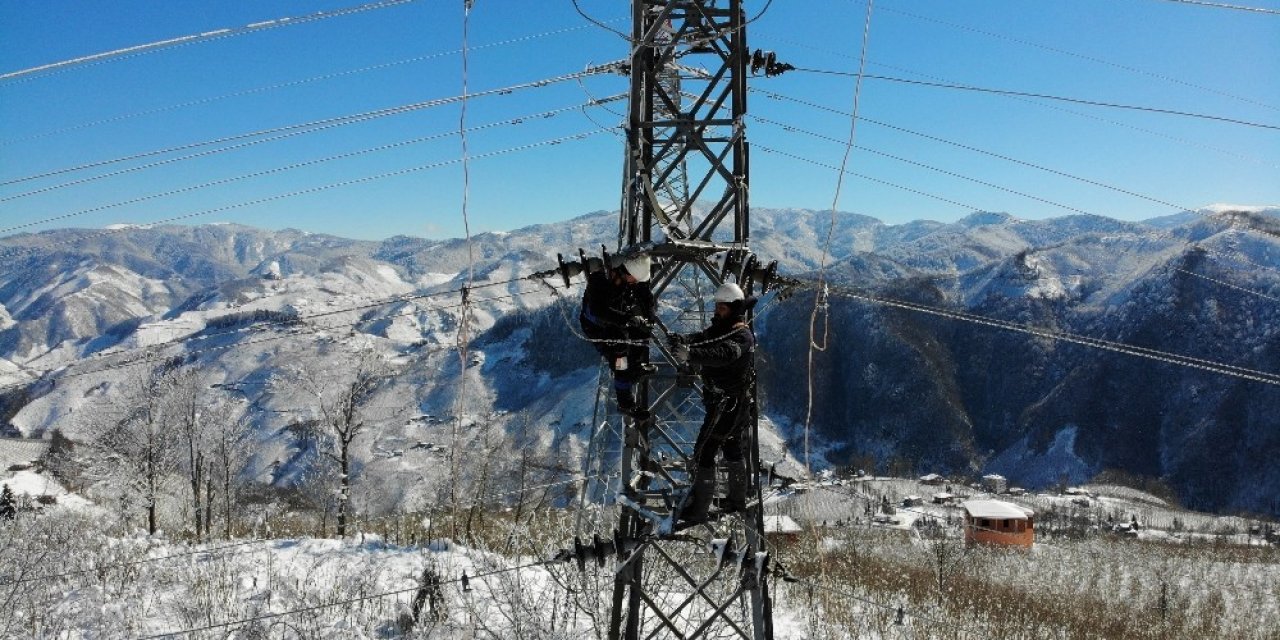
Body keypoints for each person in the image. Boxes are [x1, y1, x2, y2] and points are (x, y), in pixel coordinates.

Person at [670, 281, 757, 525]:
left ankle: (699, 508)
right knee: (730, 446)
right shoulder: (724, 329)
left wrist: (692, 355)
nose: (717, 310)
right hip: (728, 402)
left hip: (729, 404)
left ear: (733, 308)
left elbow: (722, 355)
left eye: (722, 307)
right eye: (717, 306)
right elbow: (703, 338)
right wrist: (683, 340)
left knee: (705, 451)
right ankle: (736, 499)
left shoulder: (741, 336)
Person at [579, 254, 656, 416]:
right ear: (625, 274)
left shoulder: (626, 278)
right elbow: (598, 312)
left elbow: (644, 296)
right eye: (633, 279)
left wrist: (645, 319)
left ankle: (635, 366)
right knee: (620, 357)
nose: (634, 283)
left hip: (617, 317)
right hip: (597, 327)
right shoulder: (599, 281)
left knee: (639, 334)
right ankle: (625, 403)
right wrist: (628, 319)